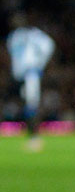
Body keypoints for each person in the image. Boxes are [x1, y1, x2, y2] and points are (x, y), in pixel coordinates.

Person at [6, 11, 55, 152]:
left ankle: (35, 138)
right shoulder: (14, 37)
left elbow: (49, 46)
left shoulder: (35, 35)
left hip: (31, 74)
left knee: (31, 105)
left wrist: (40, 65)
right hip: (19, 76)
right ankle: (31, 136)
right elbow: (14, 58)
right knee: (25, 106)